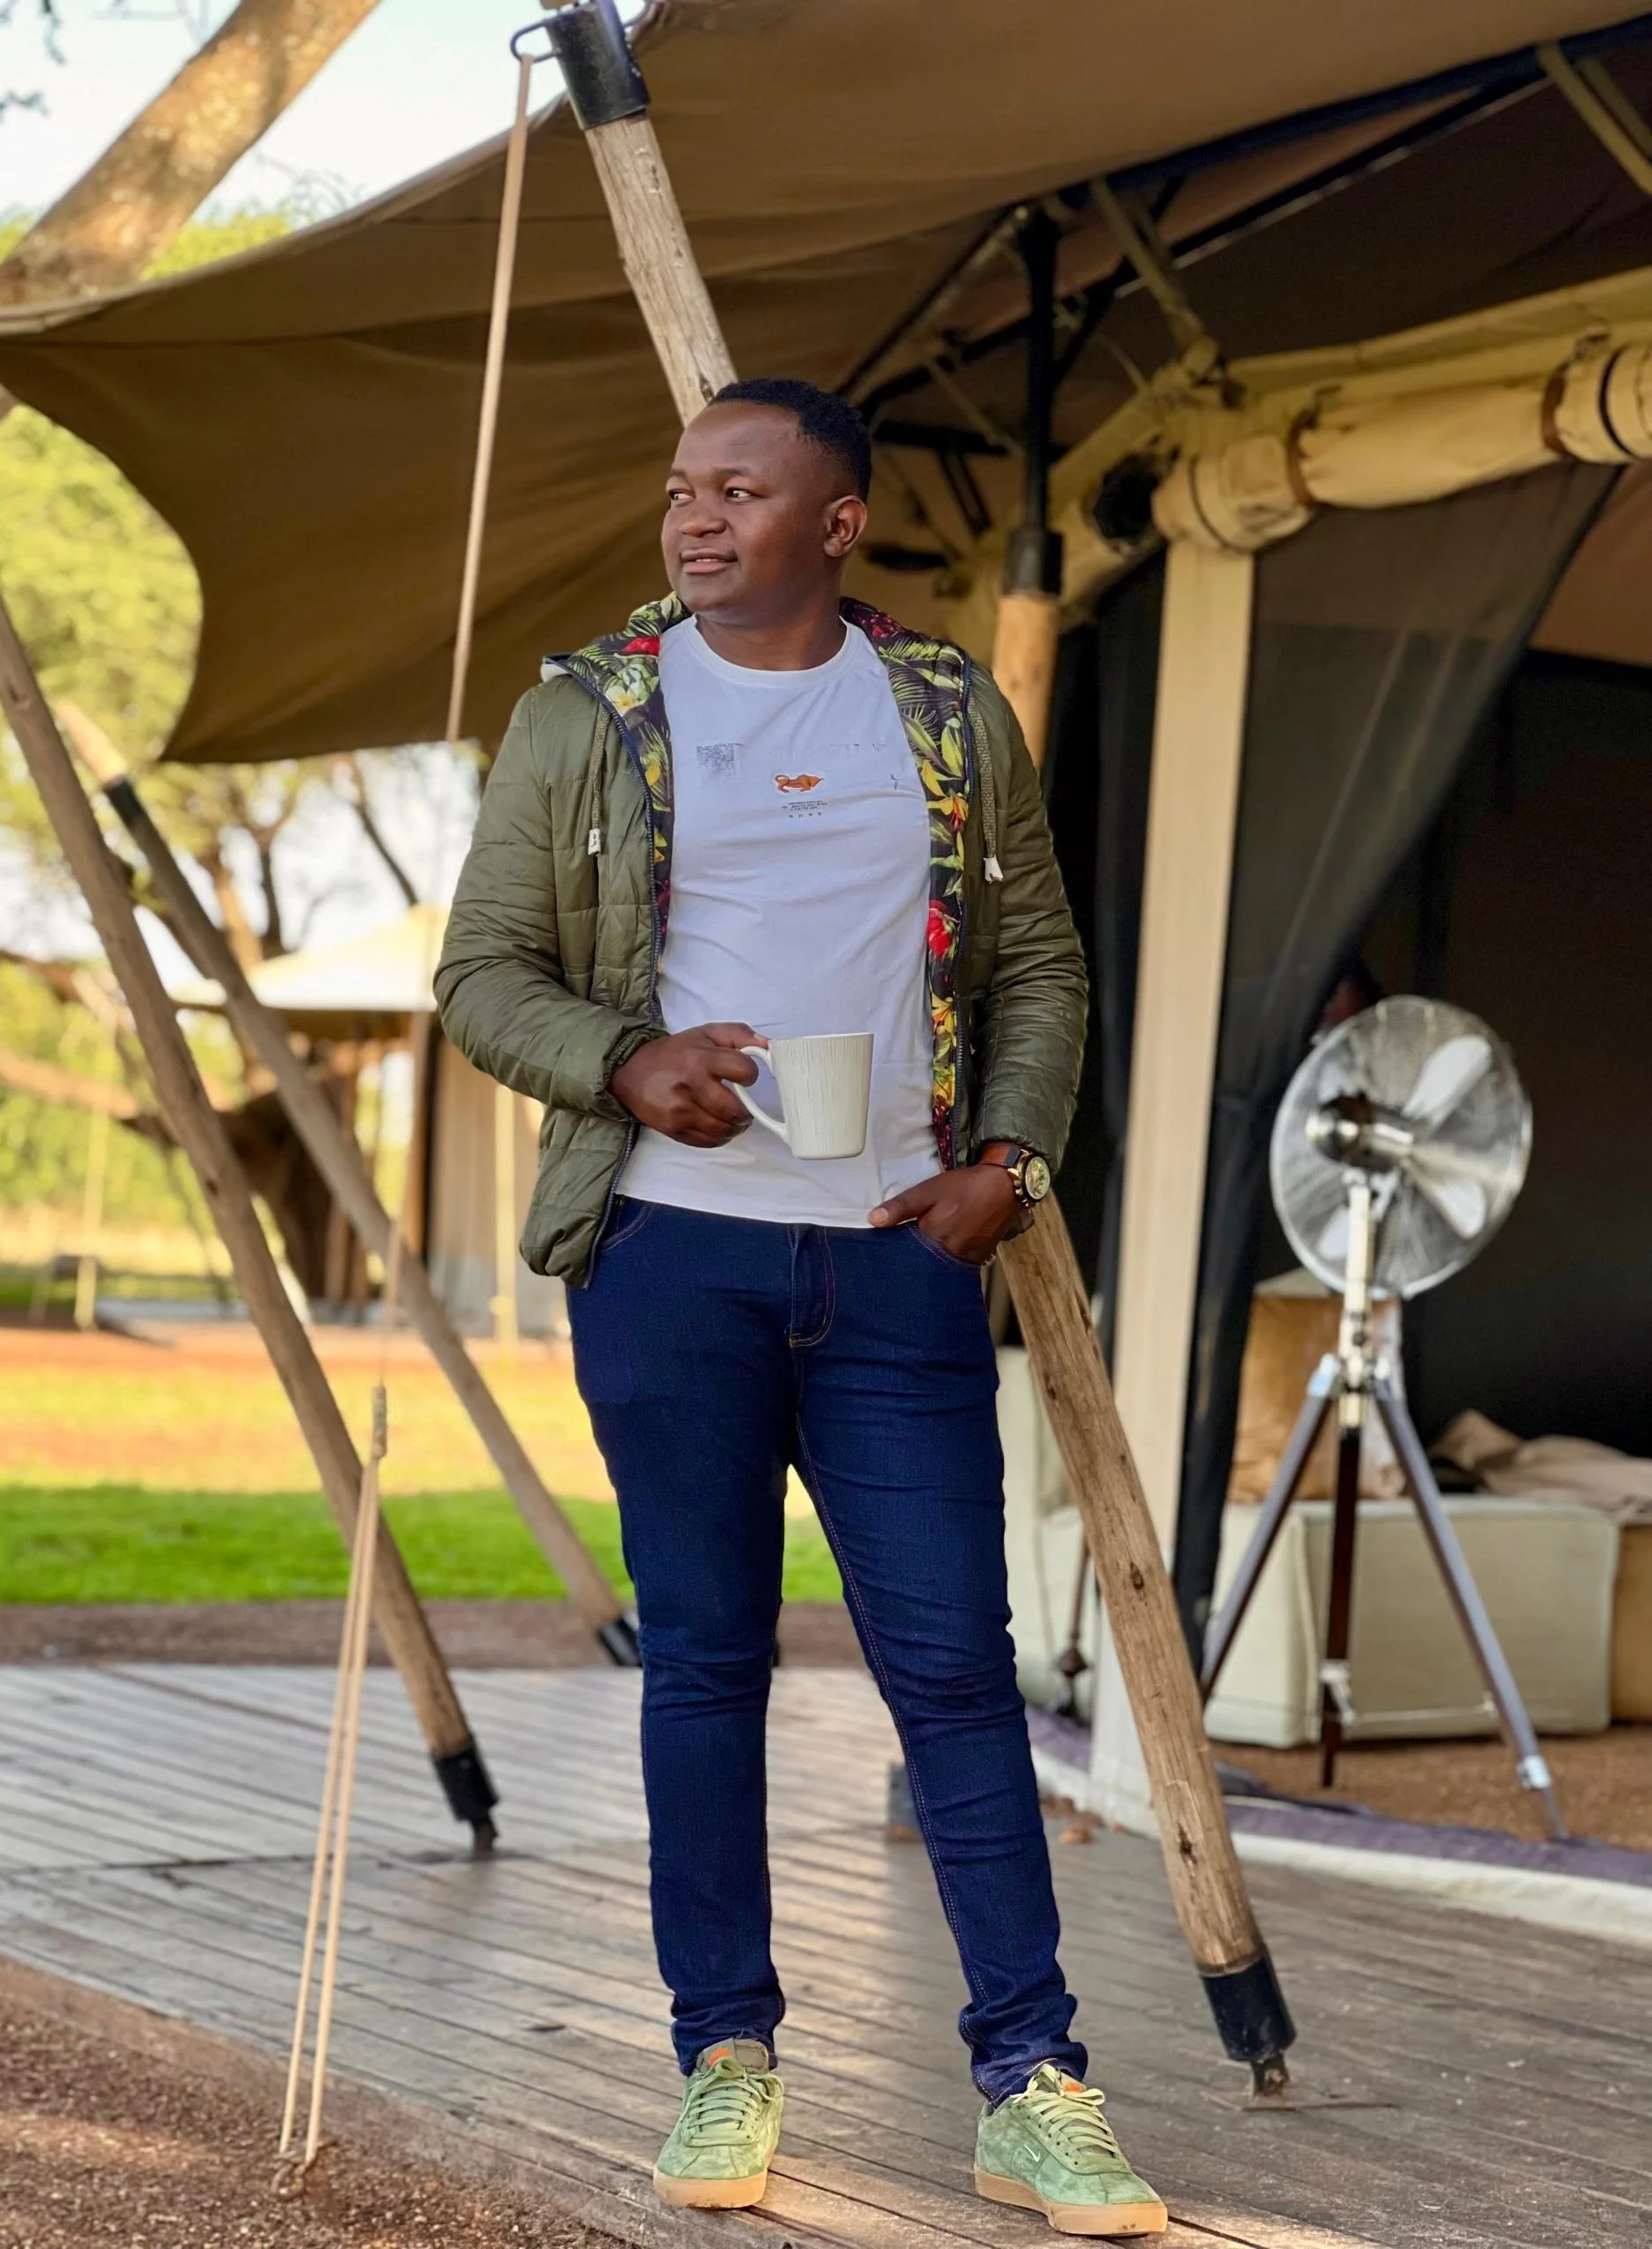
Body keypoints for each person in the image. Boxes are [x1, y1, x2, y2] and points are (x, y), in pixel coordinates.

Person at [436, 377, 1165, 2238]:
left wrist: (1013, 1161)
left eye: (739, 491)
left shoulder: (943, 711)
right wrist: (627, 1061)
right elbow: (484, 973)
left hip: (900, 1258)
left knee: (955, 1669)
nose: (693, 518)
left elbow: (1039, 961)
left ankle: (1034, 2081)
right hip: (670, 1254)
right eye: (683, 488)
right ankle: (724, 2055)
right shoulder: (587, 712)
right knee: (708, 1661)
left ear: (836, 524)